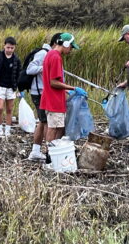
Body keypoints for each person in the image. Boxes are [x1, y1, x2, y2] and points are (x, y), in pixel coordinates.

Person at [40, 32, 87, 168]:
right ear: (65, 44)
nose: (71, 50)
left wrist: (67, 91)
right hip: (53, 100)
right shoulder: (55, 57)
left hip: (53, 99)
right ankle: (49, 158)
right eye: (71, 47)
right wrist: (73, 88)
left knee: (57, 128)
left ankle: (54, 154)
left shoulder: (50, 55)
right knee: (53, 129)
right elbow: (53, 82)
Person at [26, 33, 62, 161]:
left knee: (42, 122)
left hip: (43, 91)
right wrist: (46, 67)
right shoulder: (43, 53)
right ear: (55, 43)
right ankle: (49, 155)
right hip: (39, 92)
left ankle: (36, 151)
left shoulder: (52, 54)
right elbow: (29, 69)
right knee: (47, 123)